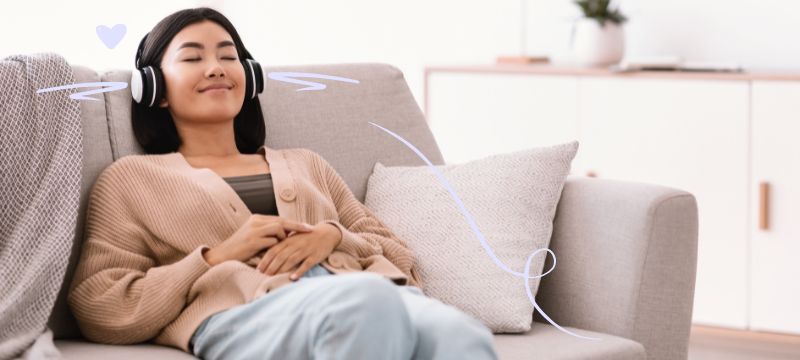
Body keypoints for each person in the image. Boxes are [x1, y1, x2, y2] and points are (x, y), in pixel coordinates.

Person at [67, 7, 498, 360]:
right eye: (193, 58)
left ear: (249, 75)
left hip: (364, 291)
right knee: (366, 305)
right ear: (155, 88)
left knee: (462, 336)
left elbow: (398, 256)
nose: (216, 68)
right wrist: (217, 257)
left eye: (228, 56)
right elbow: (99, 303)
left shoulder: (306, 164)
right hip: (245, 313)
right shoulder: (131, 179)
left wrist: (332, 236)